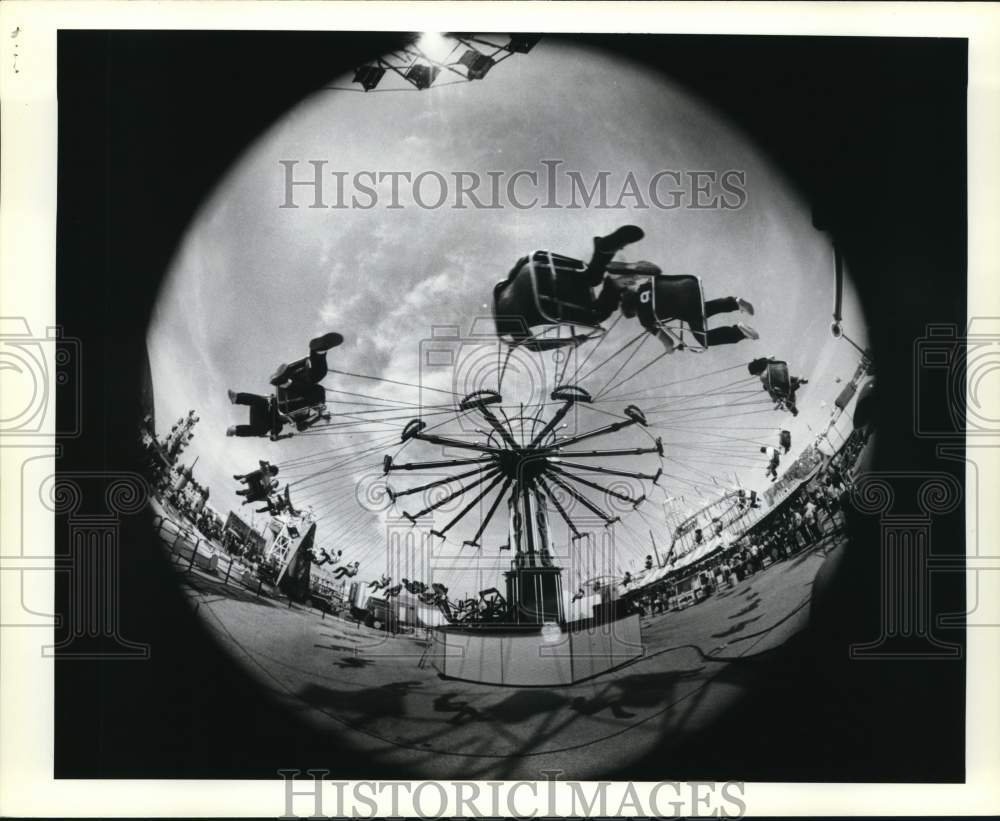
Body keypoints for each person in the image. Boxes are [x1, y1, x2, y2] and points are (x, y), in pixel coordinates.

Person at [493, 225, 646, 344]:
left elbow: (533, 346)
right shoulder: (500, 290)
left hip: (546, 299)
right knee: (590, 279)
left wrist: (570, 341)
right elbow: (521, 263)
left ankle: (614, 285)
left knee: (596, 317)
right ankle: (603, 252)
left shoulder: (509, 326)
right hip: (540, 272)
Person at [621, 284, 758, 352]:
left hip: (685, 310)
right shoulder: (645, 286)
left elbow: (668, 342)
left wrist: (669, 349)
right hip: (688, 288)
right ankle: (734, 302)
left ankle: (738, 332)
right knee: (701, 309)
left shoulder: (644, 319)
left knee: (704, 339)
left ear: (634, 310)